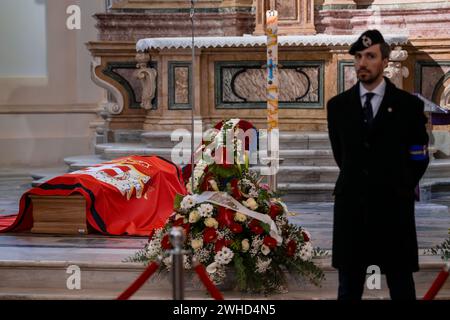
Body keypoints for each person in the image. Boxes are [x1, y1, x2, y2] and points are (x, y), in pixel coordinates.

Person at [327, 29, 430, 300]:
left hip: (393, 207)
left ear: (385, 61)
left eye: (370, 56)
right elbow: (342, 154)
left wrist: (402, 185)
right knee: (349, 287)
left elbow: (419, 154)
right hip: (352, 208)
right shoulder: (337, 107)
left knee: (401, 283)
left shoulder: (408, 106)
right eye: (358, 56)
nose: (362, 63)